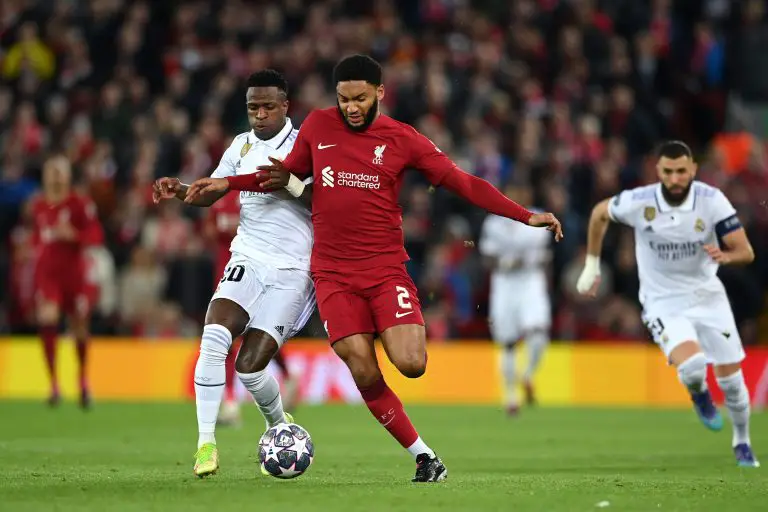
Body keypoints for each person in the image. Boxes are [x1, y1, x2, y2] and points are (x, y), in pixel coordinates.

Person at [186, 55, 563, 482]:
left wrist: (524, 216)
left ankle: (387, 327)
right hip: (331, 275)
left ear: (380, 93)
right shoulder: (317, 127)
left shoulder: (403, 139)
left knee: (412, 362)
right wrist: (227, 183)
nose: (351, 107)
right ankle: (425, 457)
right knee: (363, 368)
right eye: (343, 98)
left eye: (360, 98)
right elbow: (281, 176)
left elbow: (464, 182)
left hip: (385, 270)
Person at [153, 69, 314, 478]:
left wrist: (281, 183)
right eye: (252, 107)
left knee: (250, 367)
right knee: (213, 337)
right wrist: (184, 191)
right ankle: (206, 444)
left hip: (293, 268)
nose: (258, 114)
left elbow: (314, 194)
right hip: (247, 255)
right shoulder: (239, 145)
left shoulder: (305, 145)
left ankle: (279, 425)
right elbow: (215, 190)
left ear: (285, 106)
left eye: (267, 106)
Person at [576, 140, 759, 468]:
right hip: (663, 301)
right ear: (657, 171)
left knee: (733, 383)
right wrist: (592, 264)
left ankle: (742, 441)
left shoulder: (712, 201)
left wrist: (727, 256)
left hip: (707, 296)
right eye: (668, 172)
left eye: (681, 171)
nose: (675, 178)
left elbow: (746, 251)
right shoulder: (639, 201)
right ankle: (699, 393)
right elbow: (599, 214)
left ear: (693, 170)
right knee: (691, 367)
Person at [202, 191, 302, 427]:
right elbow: (208, 231)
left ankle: (286, 376)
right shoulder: (221, 196)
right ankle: (230, 403)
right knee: (225, 338)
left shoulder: (261, 195)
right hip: (228, 274)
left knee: (258, 333)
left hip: (259, 275)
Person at [29, 155, 103, 409]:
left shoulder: (80, 203)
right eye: (52, 171)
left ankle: (82, 381)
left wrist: (74, 235)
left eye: (60, 171)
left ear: (69, 175)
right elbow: (37, 238)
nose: (56, 176)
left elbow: (95, 235)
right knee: (47, 318)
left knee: (79, 327)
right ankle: (53, 385)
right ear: (45, 176)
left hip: (75, 275)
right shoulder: (38, 206)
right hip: (48, 276)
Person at [479, 183, 552, 415]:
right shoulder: (494, 222)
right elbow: (486, 257)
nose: (520, 196)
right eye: (515, 192)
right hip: (504, 284)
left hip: (531, 281)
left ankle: (528, 374)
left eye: (523, 192)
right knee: (508, 342)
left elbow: (547, 255)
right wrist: (505, 263)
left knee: (538, 331)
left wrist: (539, 262)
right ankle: (510, 397)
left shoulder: (539, 217)